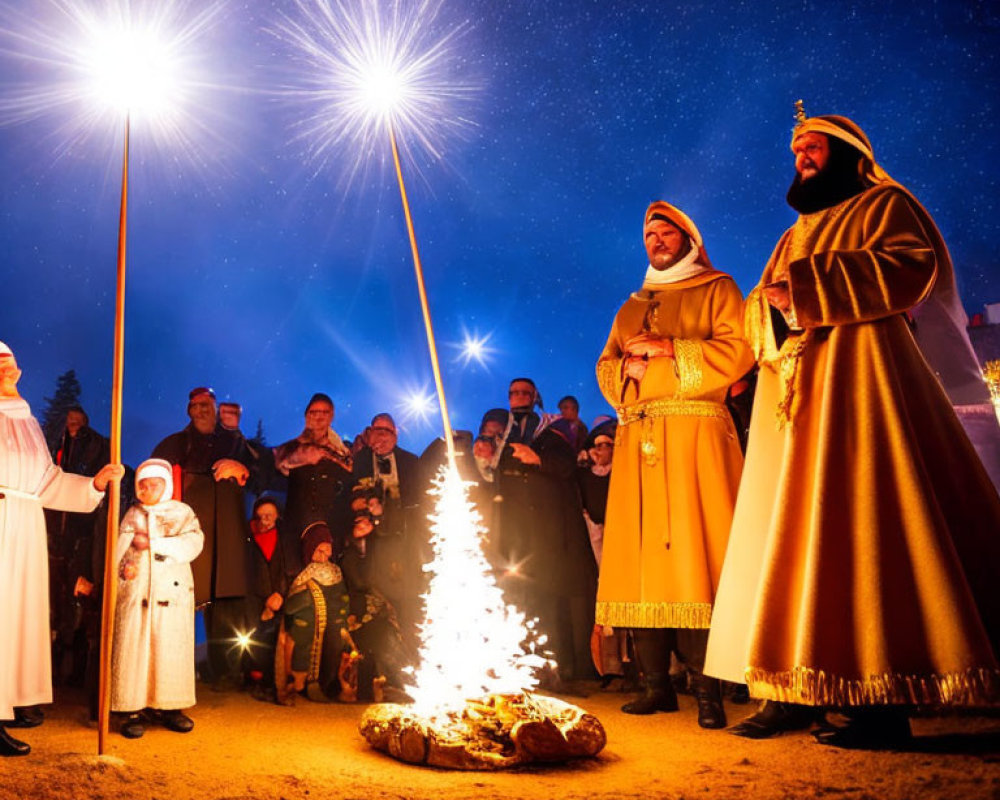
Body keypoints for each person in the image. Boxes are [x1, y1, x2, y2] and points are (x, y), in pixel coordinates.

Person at [704, 108, 1000, 748]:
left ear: (845, 153)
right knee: (782, 543)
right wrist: (775, 305)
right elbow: (766, 310)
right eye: (797, 150)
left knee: (867, 531)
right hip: (793, 404)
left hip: (860, 391)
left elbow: (908, 266)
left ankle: (878, 699)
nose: (802, 157)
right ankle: (790, 688)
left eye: (813, 148)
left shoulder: (884, 203)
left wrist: (805, 290)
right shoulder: (793, 234)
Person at [594, 202, 753, 729]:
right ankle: (655, 685)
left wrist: (669, 349)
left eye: (667, 233)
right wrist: (626, 367)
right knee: (642, 566)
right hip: (638, 440)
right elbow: (605, 365)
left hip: (695, 442)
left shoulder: (718, 290)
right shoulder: (628, 307)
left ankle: (709, 691)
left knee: (696, 559)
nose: (656, 241)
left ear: (688, 239)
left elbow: (739, 350)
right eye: (649, 234)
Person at [0, 341, 123, 757]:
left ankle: (4, 705)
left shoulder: (28, 421)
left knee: (15, 618)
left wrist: (94, 484)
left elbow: (47, 480)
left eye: (11, 364)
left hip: (25, 523)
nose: (8, 371)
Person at [152, 387, 255, 687]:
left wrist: (241, 467)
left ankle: (226, 672)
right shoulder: (175, 443)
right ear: (188, 411)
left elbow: (264, 473)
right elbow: (153, 479)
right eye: (195, 405)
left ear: (215, 407)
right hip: (189, 532)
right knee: (183, 597)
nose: (201, 410)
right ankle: (173, 670)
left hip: (228, 535)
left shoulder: (235, 443)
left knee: (226, 606)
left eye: (206, 405)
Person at [111, 459, 204, 739]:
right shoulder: (132, 514)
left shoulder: (182, 512)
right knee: (135, 649)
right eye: (144, 485)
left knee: (169, 648)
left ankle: (170, 706)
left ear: (167, 486)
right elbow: (118, 548)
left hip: (171, 594)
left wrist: (156, 544)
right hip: (137, 593)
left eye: (155, 485)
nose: (148, 490)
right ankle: (132, 708)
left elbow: (194, 543)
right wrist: (123, 566)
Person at [45, 405, 110, 687]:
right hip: (53, 534)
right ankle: (56, 668)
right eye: (69, 420)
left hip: (80, 532)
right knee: (55, 604)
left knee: (77, 602)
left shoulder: (93, 445)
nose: (72, 425)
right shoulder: (55, 445)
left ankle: (74, 671)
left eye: (78, 421)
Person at [344, 413, 421, 645]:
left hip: (402, 541)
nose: (382, 436)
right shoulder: (357, 461)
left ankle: (408, 651)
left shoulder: (411, 462)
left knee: (405, 598)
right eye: (377, 430)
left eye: (387, 431)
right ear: (369, 434)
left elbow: (418, 501)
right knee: (371, 597)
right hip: (369, 542)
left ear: (396, 436)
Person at [273, 393, 353, 571]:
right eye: (314, 411)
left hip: (330, 528)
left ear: (331, 416)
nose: (319, 416)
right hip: (297, 528)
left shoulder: (342, 454)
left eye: (325, 412)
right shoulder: (290, 449)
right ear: (306, 415)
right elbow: (277, 469)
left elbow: (348, 483)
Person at [275, 522, 350, 705]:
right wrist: (308, 600)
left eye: (327, 551)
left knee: (335, 647)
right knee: (302, 645)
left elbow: (342, 597)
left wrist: (343, 614)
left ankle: (327, 684)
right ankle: (299, 684)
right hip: (307, 624)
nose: (324, 557)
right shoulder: (303, 574)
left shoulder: (336, 572)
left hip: (332, 622)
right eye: (319, 552)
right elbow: (292, 604)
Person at [242, 496, 295, 701]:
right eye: (261, 516)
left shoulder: (285, 538)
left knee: (274, 640)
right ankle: (254, 678)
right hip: (253, 596)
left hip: (277, 595)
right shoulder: (247, 536)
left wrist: (279, 593)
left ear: (277, 516)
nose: (265, 520)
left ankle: (272, 682)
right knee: (253, 638)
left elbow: (287, 568)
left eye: (269, 515)